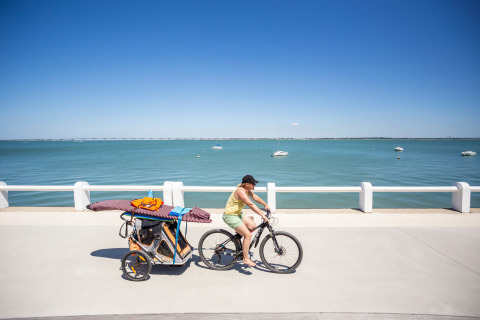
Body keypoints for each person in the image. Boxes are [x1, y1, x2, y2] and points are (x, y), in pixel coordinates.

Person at [223, 175, 270, 267]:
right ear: (247, 184)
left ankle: (238, 237)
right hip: (230, 216)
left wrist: (265, 204)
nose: (254, 186)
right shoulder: (240, 191)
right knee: (248, 235)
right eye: (253, 184)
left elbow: (255, 197)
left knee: (252, 226)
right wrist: (263, 215)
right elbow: (250, 204)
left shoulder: (246, 190)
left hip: (237, 213)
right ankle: (246, 259)